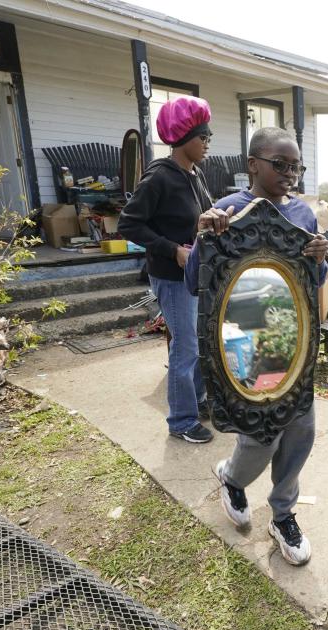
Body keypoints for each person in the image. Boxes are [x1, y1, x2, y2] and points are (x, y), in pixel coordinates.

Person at [186, 126, 328, 566]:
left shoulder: (303, 216)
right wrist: (202, 238)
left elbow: (312, 282)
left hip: (291, 339)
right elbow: (195, 280)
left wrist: (319, 261)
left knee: (301, 430)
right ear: (253, 164)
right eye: (279, 164)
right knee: (260, 436)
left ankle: (283, 512)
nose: (290, 173)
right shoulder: (226, 211)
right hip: (244, 342)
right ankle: (232, 478)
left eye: (296, 166)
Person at [119, 95, 227, 444]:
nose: (208, 143)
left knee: (198, 343)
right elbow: (128, 225)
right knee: (185, 347)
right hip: (172, 275)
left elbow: (204, 215)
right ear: (183, 139)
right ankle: (181, 420)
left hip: (196, 273)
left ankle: (195, 402)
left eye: (208, 136)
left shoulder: (194, 174)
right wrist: (172, 250)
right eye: (203, 137)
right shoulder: (159, 177)